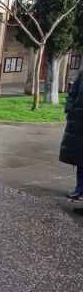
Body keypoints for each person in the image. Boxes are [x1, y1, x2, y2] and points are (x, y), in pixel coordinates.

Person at [60, 70, 83, 200]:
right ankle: (80, 189)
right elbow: (72, 93)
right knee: (80, 159)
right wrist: (70, 108)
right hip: (78, 122)